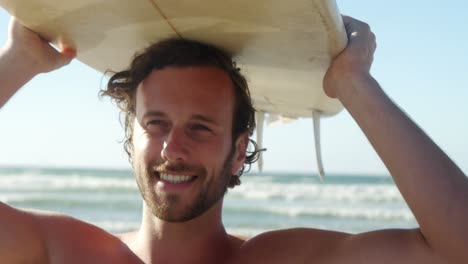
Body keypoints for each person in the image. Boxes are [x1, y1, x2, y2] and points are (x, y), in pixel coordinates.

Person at [0, 14, 467, 264]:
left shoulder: (281, 260)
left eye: (200, 127)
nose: (172, 148)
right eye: (155, 123)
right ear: (132, 135)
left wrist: (354, 84)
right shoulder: (65, 252)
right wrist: (16, 62)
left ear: (240, 148)